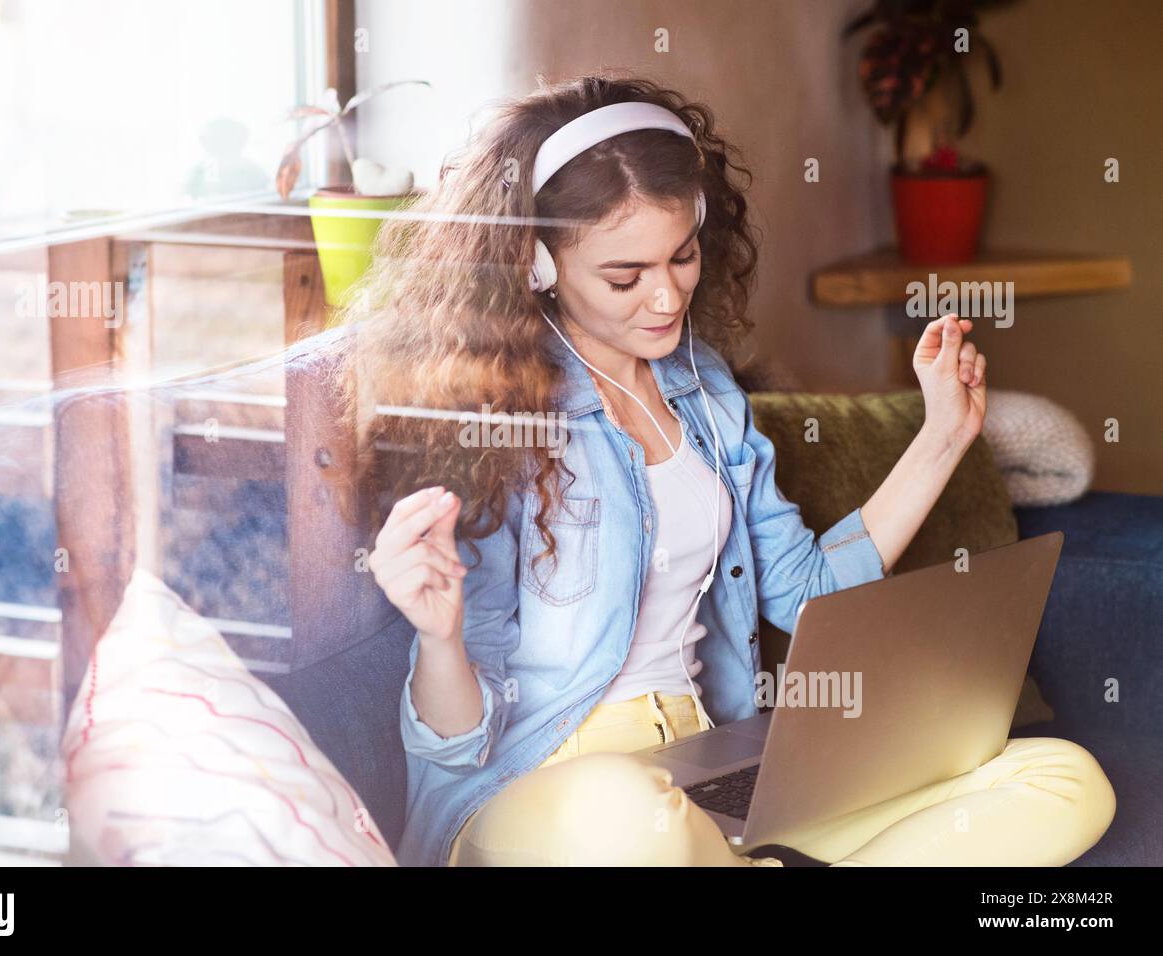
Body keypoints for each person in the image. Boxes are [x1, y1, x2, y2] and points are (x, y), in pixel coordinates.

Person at [328, 73, 1115, 867]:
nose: (666, 297)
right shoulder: (492, 419)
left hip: (703, 769)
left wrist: (944, 436)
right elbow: (457, 748)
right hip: (546, 793)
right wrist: (440, 637)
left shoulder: (707, 395)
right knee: (630, 814)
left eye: (683, 255)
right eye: (624, 276)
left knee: (1061, 779)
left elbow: (808, 594)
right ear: (534, 264)